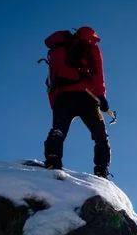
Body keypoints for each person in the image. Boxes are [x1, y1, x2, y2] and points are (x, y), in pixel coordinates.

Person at [42, 26, 111, 178]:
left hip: (62, 97)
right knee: (100, 136)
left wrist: (55, 105)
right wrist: (101, 96)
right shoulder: (90, 47)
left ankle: (52, 161)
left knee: (58, 131)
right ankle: (101, 171)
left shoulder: (58, 51)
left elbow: (50, 81)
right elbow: (97, 72)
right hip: (86, 96)